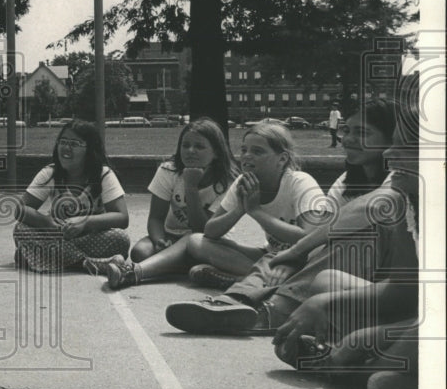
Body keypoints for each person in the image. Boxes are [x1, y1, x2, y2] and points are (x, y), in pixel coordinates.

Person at [164, 100, 398, 334]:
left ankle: (269, 309)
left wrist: (292, 252)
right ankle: (234, 301)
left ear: (391, 139)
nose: (348, 139)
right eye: (347, 130)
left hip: (381, 270)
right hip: (319, 260)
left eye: (363, 132)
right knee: (219, 245)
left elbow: (330, 228)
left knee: (354, 238)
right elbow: (322, 234)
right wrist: (244, 210)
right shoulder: (346, 182)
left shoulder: (399, 176)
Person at [272, 88, 420, 389]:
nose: (391, 156)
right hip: (417, 313)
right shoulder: (410, 203)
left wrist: (366, 338)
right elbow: (404, 292)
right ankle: (367, 366)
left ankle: (349, 368)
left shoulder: (399, 197)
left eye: (403, 147)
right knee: (327, 282)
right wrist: (322, 301)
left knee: (392, 370)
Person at [85, 118, 237, 289]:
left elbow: (201, 230)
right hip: (171, 234)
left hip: (208, 241)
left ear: (216, 152)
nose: (190, 151)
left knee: (190, 239)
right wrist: (159, 240)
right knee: (140, 252)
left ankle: (134, 273)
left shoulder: (227, 182)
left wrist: (191, 187)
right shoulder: (168, 170)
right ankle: (189, 268)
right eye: (185, 145)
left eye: (199, 147)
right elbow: (156, 218)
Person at [12, 120, 130, 273]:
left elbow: (122, 217)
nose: (66, 148)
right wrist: (49, 223)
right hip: (56, 237)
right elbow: (20, 210)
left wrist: (85, 222)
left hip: (91, 238)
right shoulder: (50, 173)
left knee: (121, 239)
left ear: (90, 150)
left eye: (74, 144)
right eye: (63, 142)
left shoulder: (103, 174)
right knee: (21, 229)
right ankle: (90, 263)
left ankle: (43, 257)